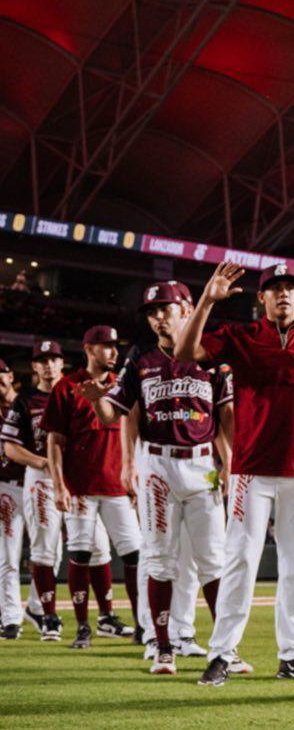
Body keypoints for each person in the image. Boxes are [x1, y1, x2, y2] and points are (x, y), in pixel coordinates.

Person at [175, 262, 294, 687]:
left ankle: (293, 655)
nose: (283, 294)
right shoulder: (242, 337)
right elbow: (184, 352)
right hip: (252, 469)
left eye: (290, 288)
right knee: (240, 561)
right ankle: (222, 654)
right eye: (274, 288)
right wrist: (207, 303)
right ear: (261, 298)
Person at [79, 281, 233, 675]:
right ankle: (162, 646)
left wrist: (230, 462)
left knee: (214, 560)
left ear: (185, 308)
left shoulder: (212, 356)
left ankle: (224, 649)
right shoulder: (140, 361)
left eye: (165, 309)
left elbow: (224, 418)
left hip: (202, 466)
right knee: (160, 560)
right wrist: (97, 401)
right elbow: (115, 415)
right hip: (158, 467)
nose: (159, 318)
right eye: (152, 312)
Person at [2, 344, 116, 641]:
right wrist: (44, 463)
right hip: (41, 477)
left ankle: (105, 616)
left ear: (62, 363)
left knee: (98, 545)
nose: (49, 365)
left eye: (53, 359)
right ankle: (46, 616)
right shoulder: (25, 401)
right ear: (34, 368)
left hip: (80, 476)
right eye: (42, 361)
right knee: (44, 547)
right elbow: (11, 446)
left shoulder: (77, 390)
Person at [44, 327, 139, 649]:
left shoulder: (122, 385)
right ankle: (83, 626)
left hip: (117, 486)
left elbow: (133, 433)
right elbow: (55, 440)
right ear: (89, 348)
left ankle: (142, 625)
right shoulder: (66, 387)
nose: (113, 352)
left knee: (135, 554)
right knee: (81, 553)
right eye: (106, 346)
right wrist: (59, 486)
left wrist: (135, 474)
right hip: (82, 486)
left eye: (116, 346)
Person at [0, 359, 23, 638]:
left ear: (10, 375)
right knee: (8, 556)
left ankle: (40, 613)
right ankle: (11, 618)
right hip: (6, 486)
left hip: (35, 484)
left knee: (48, 555)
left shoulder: (26, 407)